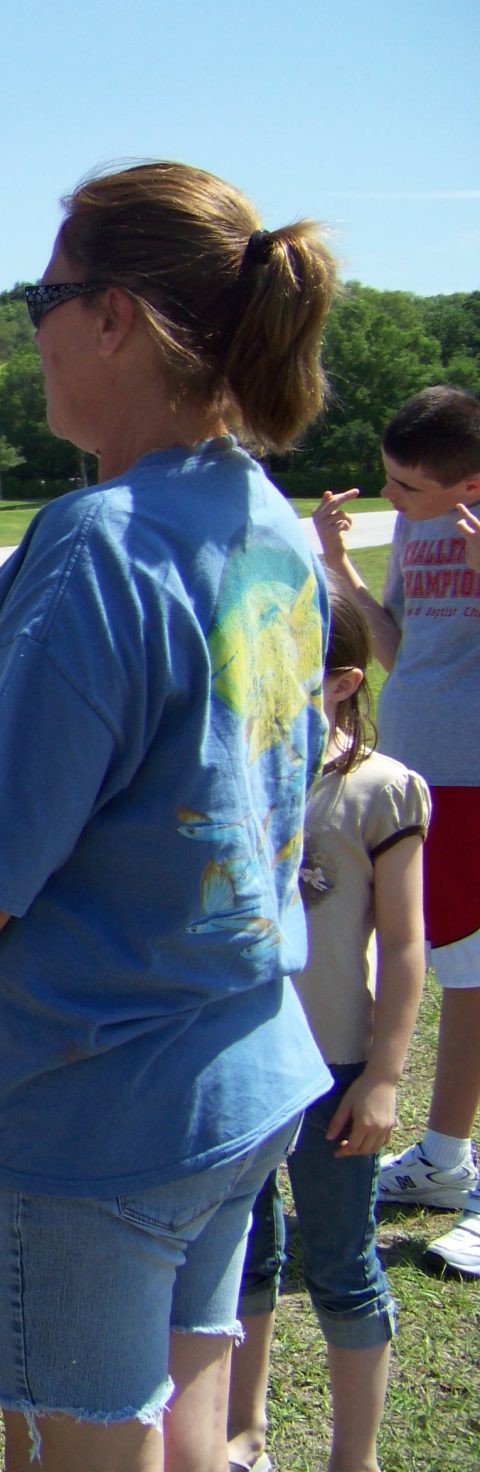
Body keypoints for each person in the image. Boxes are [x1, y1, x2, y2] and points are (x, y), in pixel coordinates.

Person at [0, 161, 339, 1472]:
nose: (32, 326)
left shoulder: (103, 545)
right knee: (187, 1441)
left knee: (70, 1453)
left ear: (113, 318)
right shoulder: (264, 523)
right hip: (232, 1068)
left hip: (91, 1107)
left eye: (45, 296)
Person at [224, 593, 428, 1472]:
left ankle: (356, 1456)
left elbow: (407, 944)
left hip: (337, 1070)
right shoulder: (229, 770)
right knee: (244, 1257)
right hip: (242, 1061)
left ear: (344, 682)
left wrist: (383, 1078)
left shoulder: (382, 791)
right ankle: (243, 1432)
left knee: (343, 1264)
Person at [317, 384, 480, 1279]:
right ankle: (445, 1159)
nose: (391, 497)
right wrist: (339, 566)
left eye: (408, 485)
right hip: (425, 778)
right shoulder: (419, 530)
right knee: (462, 970)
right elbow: (402, 652)